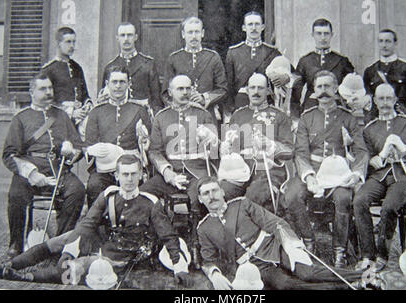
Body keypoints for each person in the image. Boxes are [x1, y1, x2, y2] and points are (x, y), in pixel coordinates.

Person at [0, 155, 192, 288]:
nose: (129, 179)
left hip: (123, 254)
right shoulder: (108, 195)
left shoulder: (151, 203)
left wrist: (179, 266)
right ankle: (11, 264)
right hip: (102, 239)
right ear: (117, 176)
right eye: (125, 174)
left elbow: (168, 235)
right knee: (59, 241)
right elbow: (88, 224)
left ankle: (21, 277)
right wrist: (70, 249)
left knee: (75, 268)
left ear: (140, 175)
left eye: (133, 174)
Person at [196, 176, 366, 290]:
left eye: (214, 190)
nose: (212, 196)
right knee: (285, 285)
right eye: (206, 193)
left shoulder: (241, 204)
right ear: (200, 199)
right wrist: (214, 274)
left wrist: (291, 243)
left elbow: (274, 222)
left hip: (274, 246)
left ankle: (361, 276)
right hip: (254, 265)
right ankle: (345, 286)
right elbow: (208, 259)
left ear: (222, 192)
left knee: (307, 272)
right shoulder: (203, 228)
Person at [283, 70, 368, 268]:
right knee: (292, 196)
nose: (323, 91)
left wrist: (355, 174)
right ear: (314, 90)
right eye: (319, 87)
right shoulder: (307, 117)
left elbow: (361, 151)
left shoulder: (348, 118)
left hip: (339, 174)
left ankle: (340, 250)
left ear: (336, 88)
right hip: (313, 170)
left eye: (327, 86)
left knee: (343, 198)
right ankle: (308, 241)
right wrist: (309, 176)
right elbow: (301, 152)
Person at [2, 73, 86, 257]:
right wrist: (32, 174)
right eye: (43, 89)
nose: (49, 92)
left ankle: (59, 242)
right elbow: (9, 154)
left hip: (58, 168)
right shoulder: (21, 118)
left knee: (77, 190)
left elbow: (79, 146)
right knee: (16, 193)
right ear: (32, 92)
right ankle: (16, 243)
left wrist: (70, 149)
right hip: (30, 169)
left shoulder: (62, 116)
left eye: (50, 88)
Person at [140, 75, 218, 268]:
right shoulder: (161, 117)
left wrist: (211, 140)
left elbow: (215, 151)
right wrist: (168, 173)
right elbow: (155, 151)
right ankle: (153, 243)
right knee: (144, 194)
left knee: (196, 200)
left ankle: (196, 247)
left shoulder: (204, 115)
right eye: (180, 89)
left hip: (197, 173)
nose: (184, 92)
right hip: (169, 172)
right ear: (170, 92)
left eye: (187, 88)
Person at [353, 83, 406, 272]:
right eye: (381, 99)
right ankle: (367, 255)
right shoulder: (369, 129)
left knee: (389, 207)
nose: (385, 103)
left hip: (403, 177)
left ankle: (382, 254)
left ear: (396, 100)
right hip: (379, 176)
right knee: (359, 200)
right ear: (375, 101)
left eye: (389, 98)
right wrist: (379, 157)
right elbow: (368, 160)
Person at [220, 73, 293, 214]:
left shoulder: (279, 116)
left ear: (268, 91)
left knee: (253, 197)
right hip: (240, 169)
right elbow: (230, 145)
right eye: (252, 88)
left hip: (268, 171)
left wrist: (270, 144)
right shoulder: (238, 115)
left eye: (260, 88)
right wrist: (226, 148)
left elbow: (289, 150)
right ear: (247, 91)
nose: (256, 92)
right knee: (223, 191)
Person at [85, 65, 153, 209]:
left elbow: (149, 144)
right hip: (105, 168)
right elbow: (88, 144)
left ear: (128, 84)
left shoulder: (140, 110)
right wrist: (91, 150)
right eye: (114, 82)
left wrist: (144, 141)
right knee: (94, 185)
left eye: (122, 82)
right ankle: (99, 228)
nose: (118, 86)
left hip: (131, 166)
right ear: (107, 84)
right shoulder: (97, 112)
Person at [225, 11, 296, 118]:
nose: (254, 28)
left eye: (257, 24)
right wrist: (229, 111)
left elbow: (294, 75)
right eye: (250, 24)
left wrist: (286, 77)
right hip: (241, 102)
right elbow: (228, 85)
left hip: (266, 103)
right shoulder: (234, 52)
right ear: (244, 28)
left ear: (262, 27)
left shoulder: (272, 52)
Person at [163, 17, 227, 125]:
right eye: (190, 32)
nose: (193, 36)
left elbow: (222, 89)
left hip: (207, 114)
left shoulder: (213, 57)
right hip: (180, 115)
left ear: (202, 33)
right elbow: (165, 93)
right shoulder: (174, 58)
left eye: (197, 32)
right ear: (183, 34)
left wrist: (203, 98)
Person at [293, 18, 354, 115]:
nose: (323, 38)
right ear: (312, 35)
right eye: (319, 33)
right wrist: (295, 116)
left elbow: (352, 88)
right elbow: (295, 92)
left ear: (331, 35)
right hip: (311, 108)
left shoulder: (342, 61)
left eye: (326, 33)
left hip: (336, 109)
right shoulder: (305, 61)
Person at [100, 22, 164, 116]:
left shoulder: (148, 64)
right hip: (118, 115)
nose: (126, 39)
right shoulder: (110, 66)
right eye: (122, 35)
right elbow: (105, 97)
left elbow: (156, 98)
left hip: (142, 114)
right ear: (117, 38)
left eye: (129, 35)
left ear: (136, 37)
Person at [363, 29, 406, 124]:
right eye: (381, 41)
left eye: (388, 41)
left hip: (400, 119)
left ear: (395, 43)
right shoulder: (370, 71)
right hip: (377, 120)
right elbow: (367, 99)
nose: (384, 45)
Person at [41, 27, 93, 129]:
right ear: (58, 43)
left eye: (74, 42)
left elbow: (84, 94)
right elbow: (45, 101)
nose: (72, 46)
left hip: (78, 122)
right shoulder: (48, 70)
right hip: (57, 122)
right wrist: (71, 112)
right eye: (68, 42)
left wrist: (87, 105)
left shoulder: (77, 67)